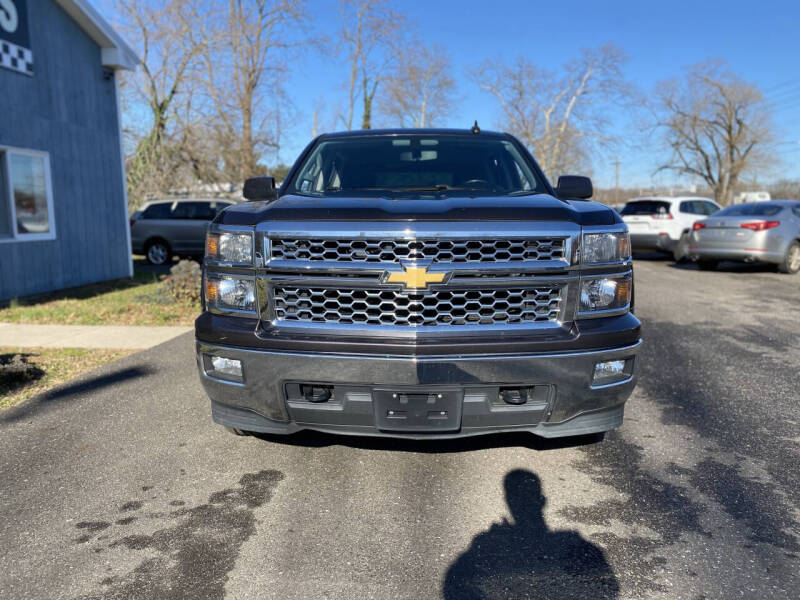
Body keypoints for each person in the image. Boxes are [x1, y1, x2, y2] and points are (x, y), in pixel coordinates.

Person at [443, 469, 619, 599]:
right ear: (542, 501)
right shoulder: (573, 543)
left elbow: (455, 584)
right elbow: (609, 588)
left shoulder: (486, 544)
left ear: (508, 502)